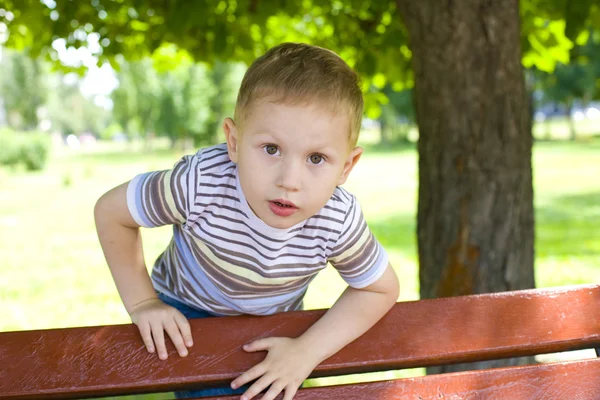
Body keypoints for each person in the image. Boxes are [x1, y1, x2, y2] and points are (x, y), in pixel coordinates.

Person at [94, 42, 400, 400]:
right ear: (234, 142)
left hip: (273, 320)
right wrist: (144, 303)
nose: (290, 179)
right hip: (189, 310)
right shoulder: (201, 184)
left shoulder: (336, 218)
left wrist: (306, 351)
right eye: (271, 149)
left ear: (346, 167)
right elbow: (111, 212)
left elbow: (380, 287)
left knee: (272, 384)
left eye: (316, 158)